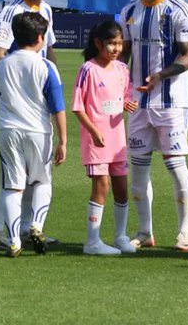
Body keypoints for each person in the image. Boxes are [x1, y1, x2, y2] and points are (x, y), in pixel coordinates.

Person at [120, 0, 188, 251]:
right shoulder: (129, 11)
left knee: (176, 165)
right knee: (138, 167)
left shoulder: (179, 10)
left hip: (171, 103)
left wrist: (161, 76)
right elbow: (123, 55)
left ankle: (184, 231)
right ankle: (144, 231)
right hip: (138, 104)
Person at [0, 0, 57, 248]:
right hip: (16, 98)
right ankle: (3, 226)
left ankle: (17, 227)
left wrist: (52, 78)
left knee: (28, 172)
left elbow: (49, 51)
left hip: (38, 95)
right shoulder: (11, 11)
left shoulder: (48, 10)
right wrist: (22, 77)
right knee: (21, 171)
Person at [0, 12, 66, 257]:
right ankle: (36, 225)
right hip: (38, 131)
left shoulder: (3, 64)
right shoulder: (46, 66)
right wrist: (64, 140)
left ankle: (14, 241)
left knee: (12, 187)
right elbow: (57, 106)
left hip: (8, 129)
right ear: (40, 37)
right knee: (41, 181)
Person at [72, 20, 138, 256]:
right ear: (98, 43)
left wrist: (128, 103)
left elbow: (124, 96)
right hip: (96, 138)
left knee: (121, 187)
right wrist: (93, 130)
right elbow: (78, 107)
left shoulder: (122, 69)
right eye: (111, 44)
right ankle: (92, 241)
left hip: (117, 139)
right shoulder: (88, 70)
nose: (116, 49)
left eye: (119, 44)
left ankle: (120, 236)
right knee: (102, 185)